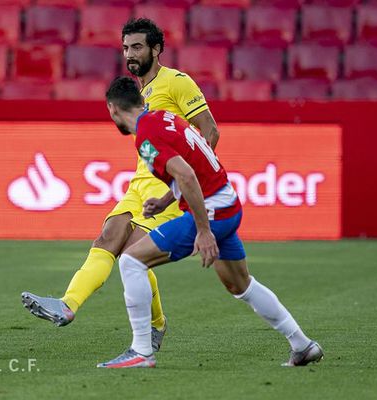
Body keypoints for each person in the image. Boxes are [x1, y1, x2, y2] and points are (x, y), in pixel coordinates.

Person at [20, 18, 220, 352]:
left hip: (163, 189)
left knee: (132, 256)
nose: (130, 53)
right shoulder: (136, 91)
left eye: (138, 46)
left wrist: (188, 179)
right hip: (138, 184)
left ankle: (154, 327)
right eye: (126, 47)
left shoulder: (177, 83)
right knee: (107, 238)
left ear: (156, 49)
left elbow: (210, 131)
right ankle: (67, 305)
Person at [97, 76, 324, 369]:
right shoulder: (164, 117)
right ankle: (302, 345)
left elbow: (187, 176)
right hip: (227, 202)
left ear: (113, 109)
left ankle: (142, 351)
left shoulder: (145, 138)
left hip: (211, 211)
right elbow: (189, 167)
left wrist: (203, 231)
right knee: (240, 284)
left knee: (130, 262)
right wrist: (166, 201)